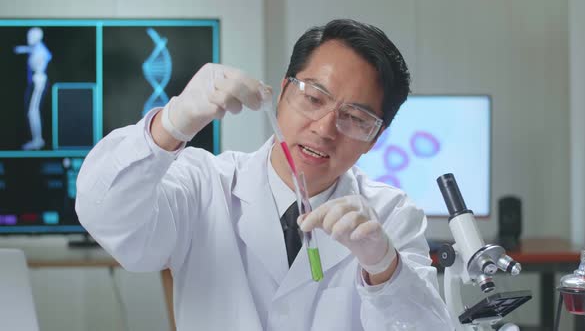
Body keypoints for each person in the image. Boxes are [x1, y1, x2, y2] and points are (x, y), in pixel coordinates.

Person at [76, 19, 453, 330]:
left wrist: (384, 269)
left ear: (374, 138)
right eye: (314, 98)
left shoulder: (391, 217)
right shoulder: (204, 184)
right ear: (284, 91)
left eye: (354, 118)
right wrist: (170, 125)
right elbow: (104, 214)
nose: (324, 128)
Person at [14, 27, 52, 151]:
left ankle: (38, 140)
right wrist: (22, 49)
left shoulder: (41, 51)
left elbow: (45, 55)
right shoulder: (37, 48)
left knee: (33, 111)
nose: (28, 38)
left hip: (38, 81)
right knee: (32, 111)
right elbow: (32, 49)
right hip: (37, 80)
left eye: (31, 36)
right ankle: (37, 139)